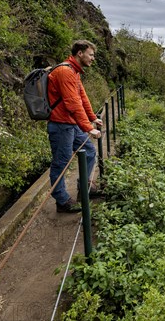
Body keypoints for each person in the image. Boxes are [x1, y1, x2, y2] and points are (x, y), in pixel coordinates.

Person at [47, 40, 103, 213]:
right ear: (80, 53)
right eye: (91, 54)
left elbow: (82, 98)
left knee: (89, 151)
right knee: (61, 163)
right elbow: (72, 104)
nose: (93, 58)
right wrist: (88, 127)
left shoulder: (74, 72)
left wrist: (93, 117)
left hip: (71, 124)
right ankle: (62, 201)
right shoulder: (65, 72)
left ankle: (84, 187)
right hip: (61, 125)